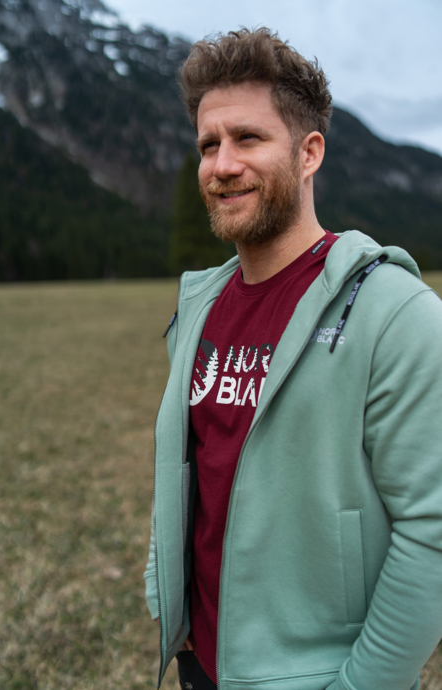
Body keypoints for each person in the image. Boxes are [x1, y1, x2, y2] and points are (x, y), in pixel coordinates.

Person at [144, 28, 442, 690]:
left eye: (248, 139)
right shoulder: (201, 306)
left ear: (309, 153)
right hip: (203, 663)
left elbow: (433, 534)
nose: (221, 164)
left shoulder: (395, 312)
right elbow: (192, 467)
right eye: (208, 145)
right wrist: (164, 595)